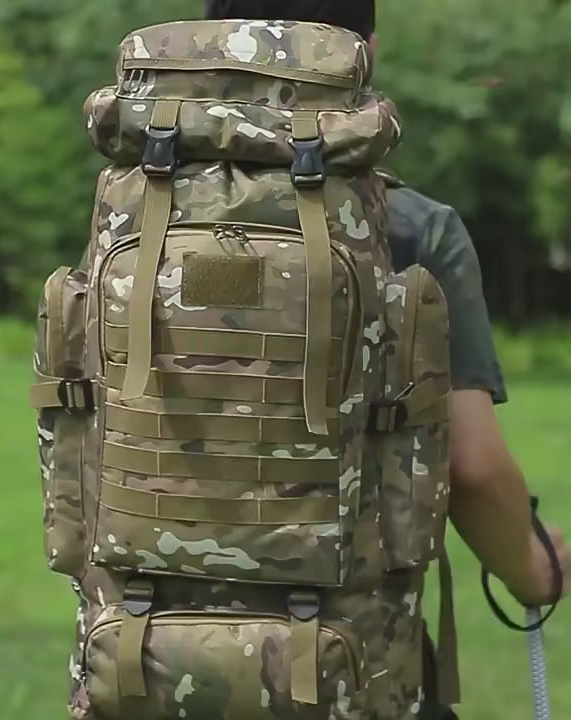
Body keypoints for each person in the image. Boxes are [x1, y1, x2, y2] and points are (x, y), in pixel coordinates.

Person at [201, 0, 571, 716]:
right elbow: (472, 467)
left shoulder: (132, 211)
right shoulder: (409, 228)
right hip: (349, 668)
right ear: (364, 52)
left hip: (145, 659)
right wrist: (534, 570)